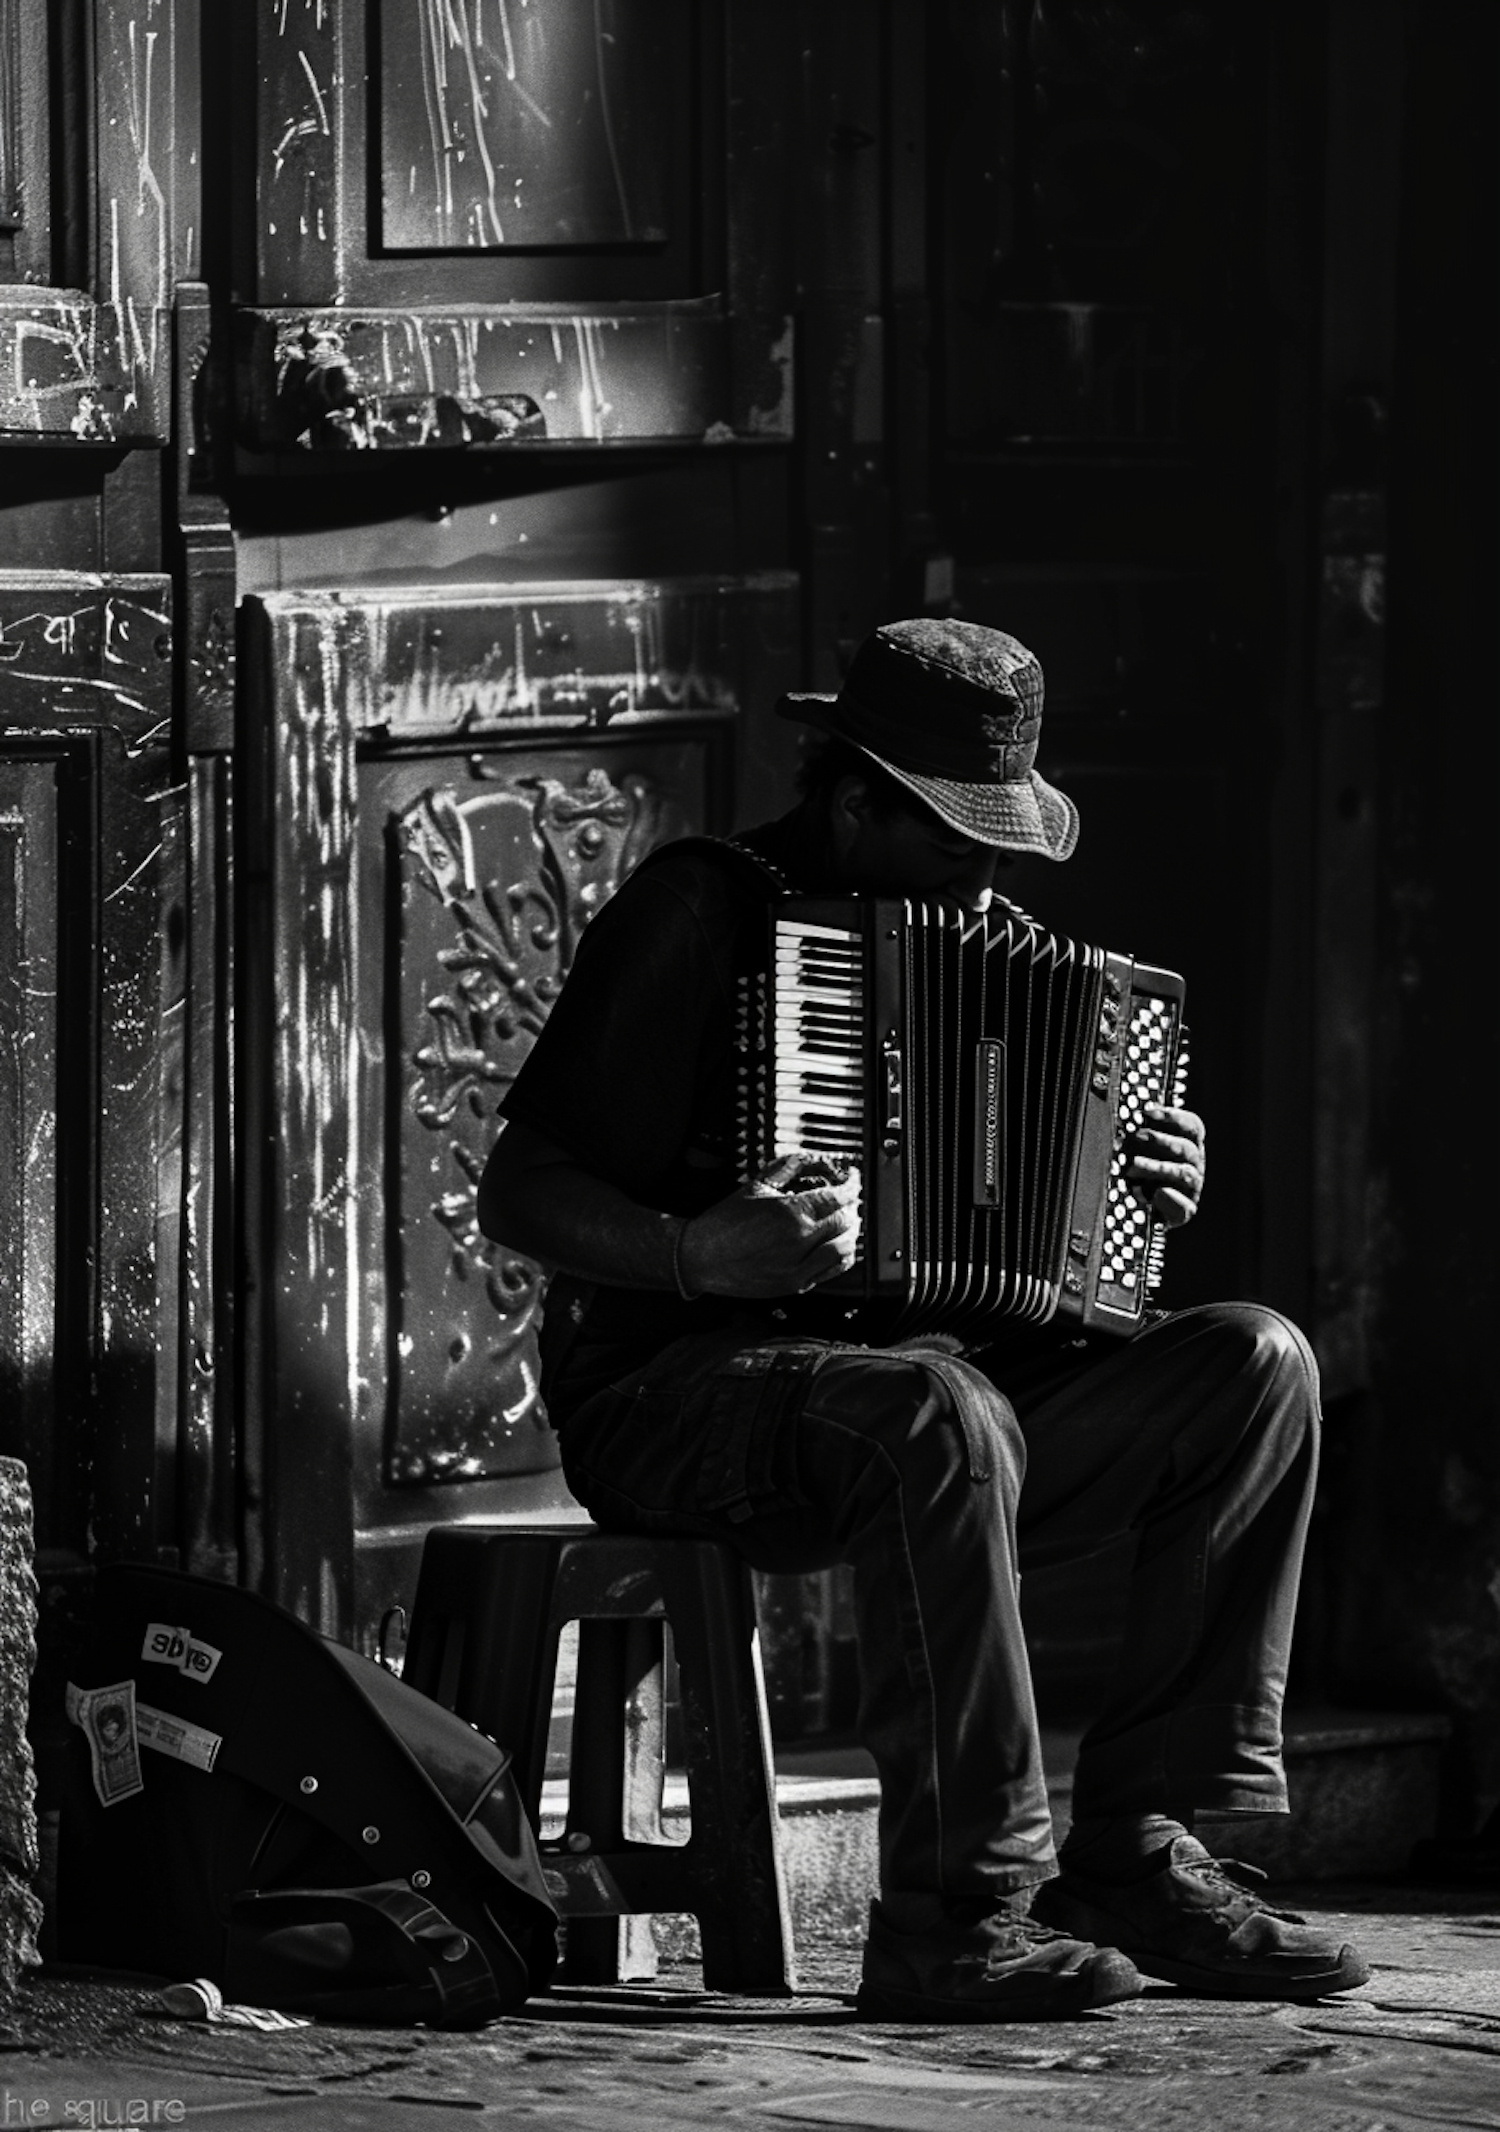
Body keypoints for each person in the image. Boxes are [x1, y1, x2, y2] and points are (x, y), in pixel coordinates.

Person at [478, 617, 1370, 2021]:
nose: (991, 872)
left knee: (1256, 1366)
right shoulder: (701, 911)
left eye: (1002, 838)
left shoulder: (992, 946)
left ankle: (1135, 1853)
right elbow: (517, 1192)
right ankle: (954, 1918)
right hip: (674, 1398)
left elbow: (1060, 1262)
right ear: (850, 801)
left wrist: (1134, 1191)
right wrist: (701, 1251)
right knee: (935, 1409)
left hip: (932, 1408)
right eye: (959, 838)